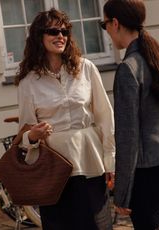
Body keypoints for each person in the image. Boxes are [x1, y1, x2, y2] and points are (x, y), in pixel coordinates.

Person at [15, 7, 115, 230]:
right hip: (53, 169)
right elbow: (24, 133)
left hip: (89, 161)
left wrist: (111, 160)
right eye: (52, 31)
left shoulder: (86, 68)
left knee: (98, 226)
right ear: (39, 37)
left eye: (65, 31)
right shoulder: (28, 82)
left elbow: (105, 116)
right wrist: (33, 135)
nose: (60, 36)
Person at [101, 0, 159, 229]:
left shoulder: (128, 69)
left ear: (115, 23)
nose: (107, 32)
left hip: (147, 172)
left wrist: (121, 194)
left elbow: (127, 136)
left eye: (105, 26)